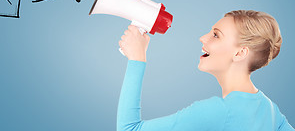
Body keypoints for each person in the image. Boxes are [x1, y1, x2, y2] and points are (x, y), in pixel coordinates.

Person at [117, 10, 294, 131]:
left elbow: (128, 129)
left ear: (240, 53)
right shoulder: (270, 109)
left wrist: (136, 58)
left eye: (216, 35)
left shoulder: (218, 111)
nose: (202, 38)